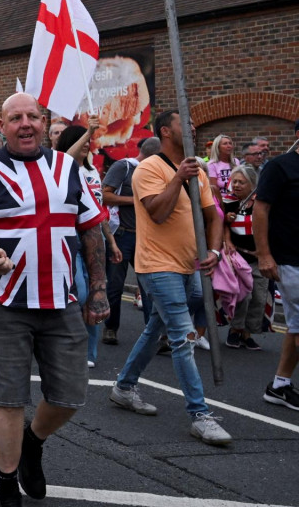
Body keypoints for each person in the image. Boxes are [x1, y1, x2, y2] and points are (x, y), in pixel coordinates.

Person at [0, 93, 109, 507]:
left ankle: (33, 443)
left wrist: (97, 288)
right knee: (7, 398)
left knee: (70, 396)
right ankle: (6, 488)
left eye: (33, 117)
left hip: (62, 301)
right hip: (7, 303)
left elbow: (91, 227)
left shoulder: (68, 169)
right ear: (1, 125)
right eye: (15, 118)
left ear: (45, 123)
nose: (25, 124)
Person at [109, 110, 232, 446]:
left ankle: (123, 386)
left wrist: (216, 251)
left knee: (157, 327)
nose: (192, 127)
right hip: (156, 266)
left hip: (189, 265)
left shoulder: (198, 173)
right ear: (165, 131)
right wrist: (178, 178)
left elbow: (215, 216)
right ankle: (200, 415)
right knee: (182, 335)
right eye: (185, 123)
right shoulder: (149, 169)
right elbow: (159, 214)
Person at [56, 121, 122, 368]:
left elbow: (98, 211)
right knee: (80, 293)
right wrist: (88, 132)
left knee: (95, 294)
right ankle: (65, 343)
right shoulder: (63, 166)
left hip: (96, 238)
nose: (86, 145)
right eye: (81, 141)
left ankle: (88, 354)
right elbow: (65, 159)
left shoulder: (93, 172)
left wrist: (111, 241)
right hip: (72, 237)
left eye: (88, 142)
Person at [253, 118, 299, 411]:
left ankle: (279, 385)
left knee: (295, 325)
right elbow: (261, 208)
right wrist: (264, 254)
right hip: (290, 259)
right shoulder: (280, 166)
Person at [101, 137, 161, 344]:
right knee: (115, 285)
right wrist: (137, 201)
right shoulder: (124, 167)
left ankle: (152, 335)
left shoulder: (156, 172)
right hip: (121, 235)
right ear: (152, 155)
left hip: (146, 237)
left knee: (150, 287)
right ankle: (111, 328)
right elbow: (105, 196)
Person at [223, 165, 267, 350]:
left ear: (252, 185)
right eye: (235, 181)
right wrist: (227, 240)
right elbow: (221, 224)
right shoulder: (229, 202)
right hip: (238, 256)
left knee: (259, 297)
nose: (237, 185)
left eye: (242, 182)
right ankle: (235, 330)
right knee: (244, 296)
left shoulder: (261, 203)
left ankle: (248, 333)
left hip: (258, 257)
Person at [207, 135, 239, 202]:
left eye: (230, 143)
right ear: (218, 147)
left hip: (237, 199)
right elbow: (214, 189)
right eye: (225, 144)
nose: (229, 146)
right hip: (222, 201)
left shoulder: (236, 161)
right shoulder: (212, 165)